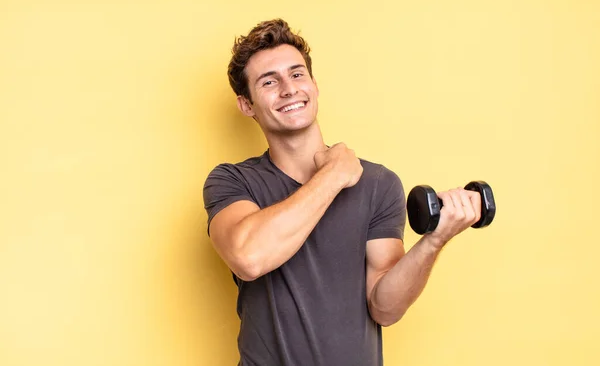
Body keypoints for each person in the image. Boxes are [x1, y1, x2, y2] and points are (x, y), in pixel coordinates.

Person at [203, 19, 482, 366]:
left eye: (297, 74)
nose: (289, 89)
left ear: (314, 85)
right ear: (247, 105)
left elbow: (385, 308)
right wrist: (333, 174)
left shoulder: (378, 184)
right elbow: (249, 258)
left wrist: (434, 241)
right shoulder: (233, 181)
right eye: (269, 81)